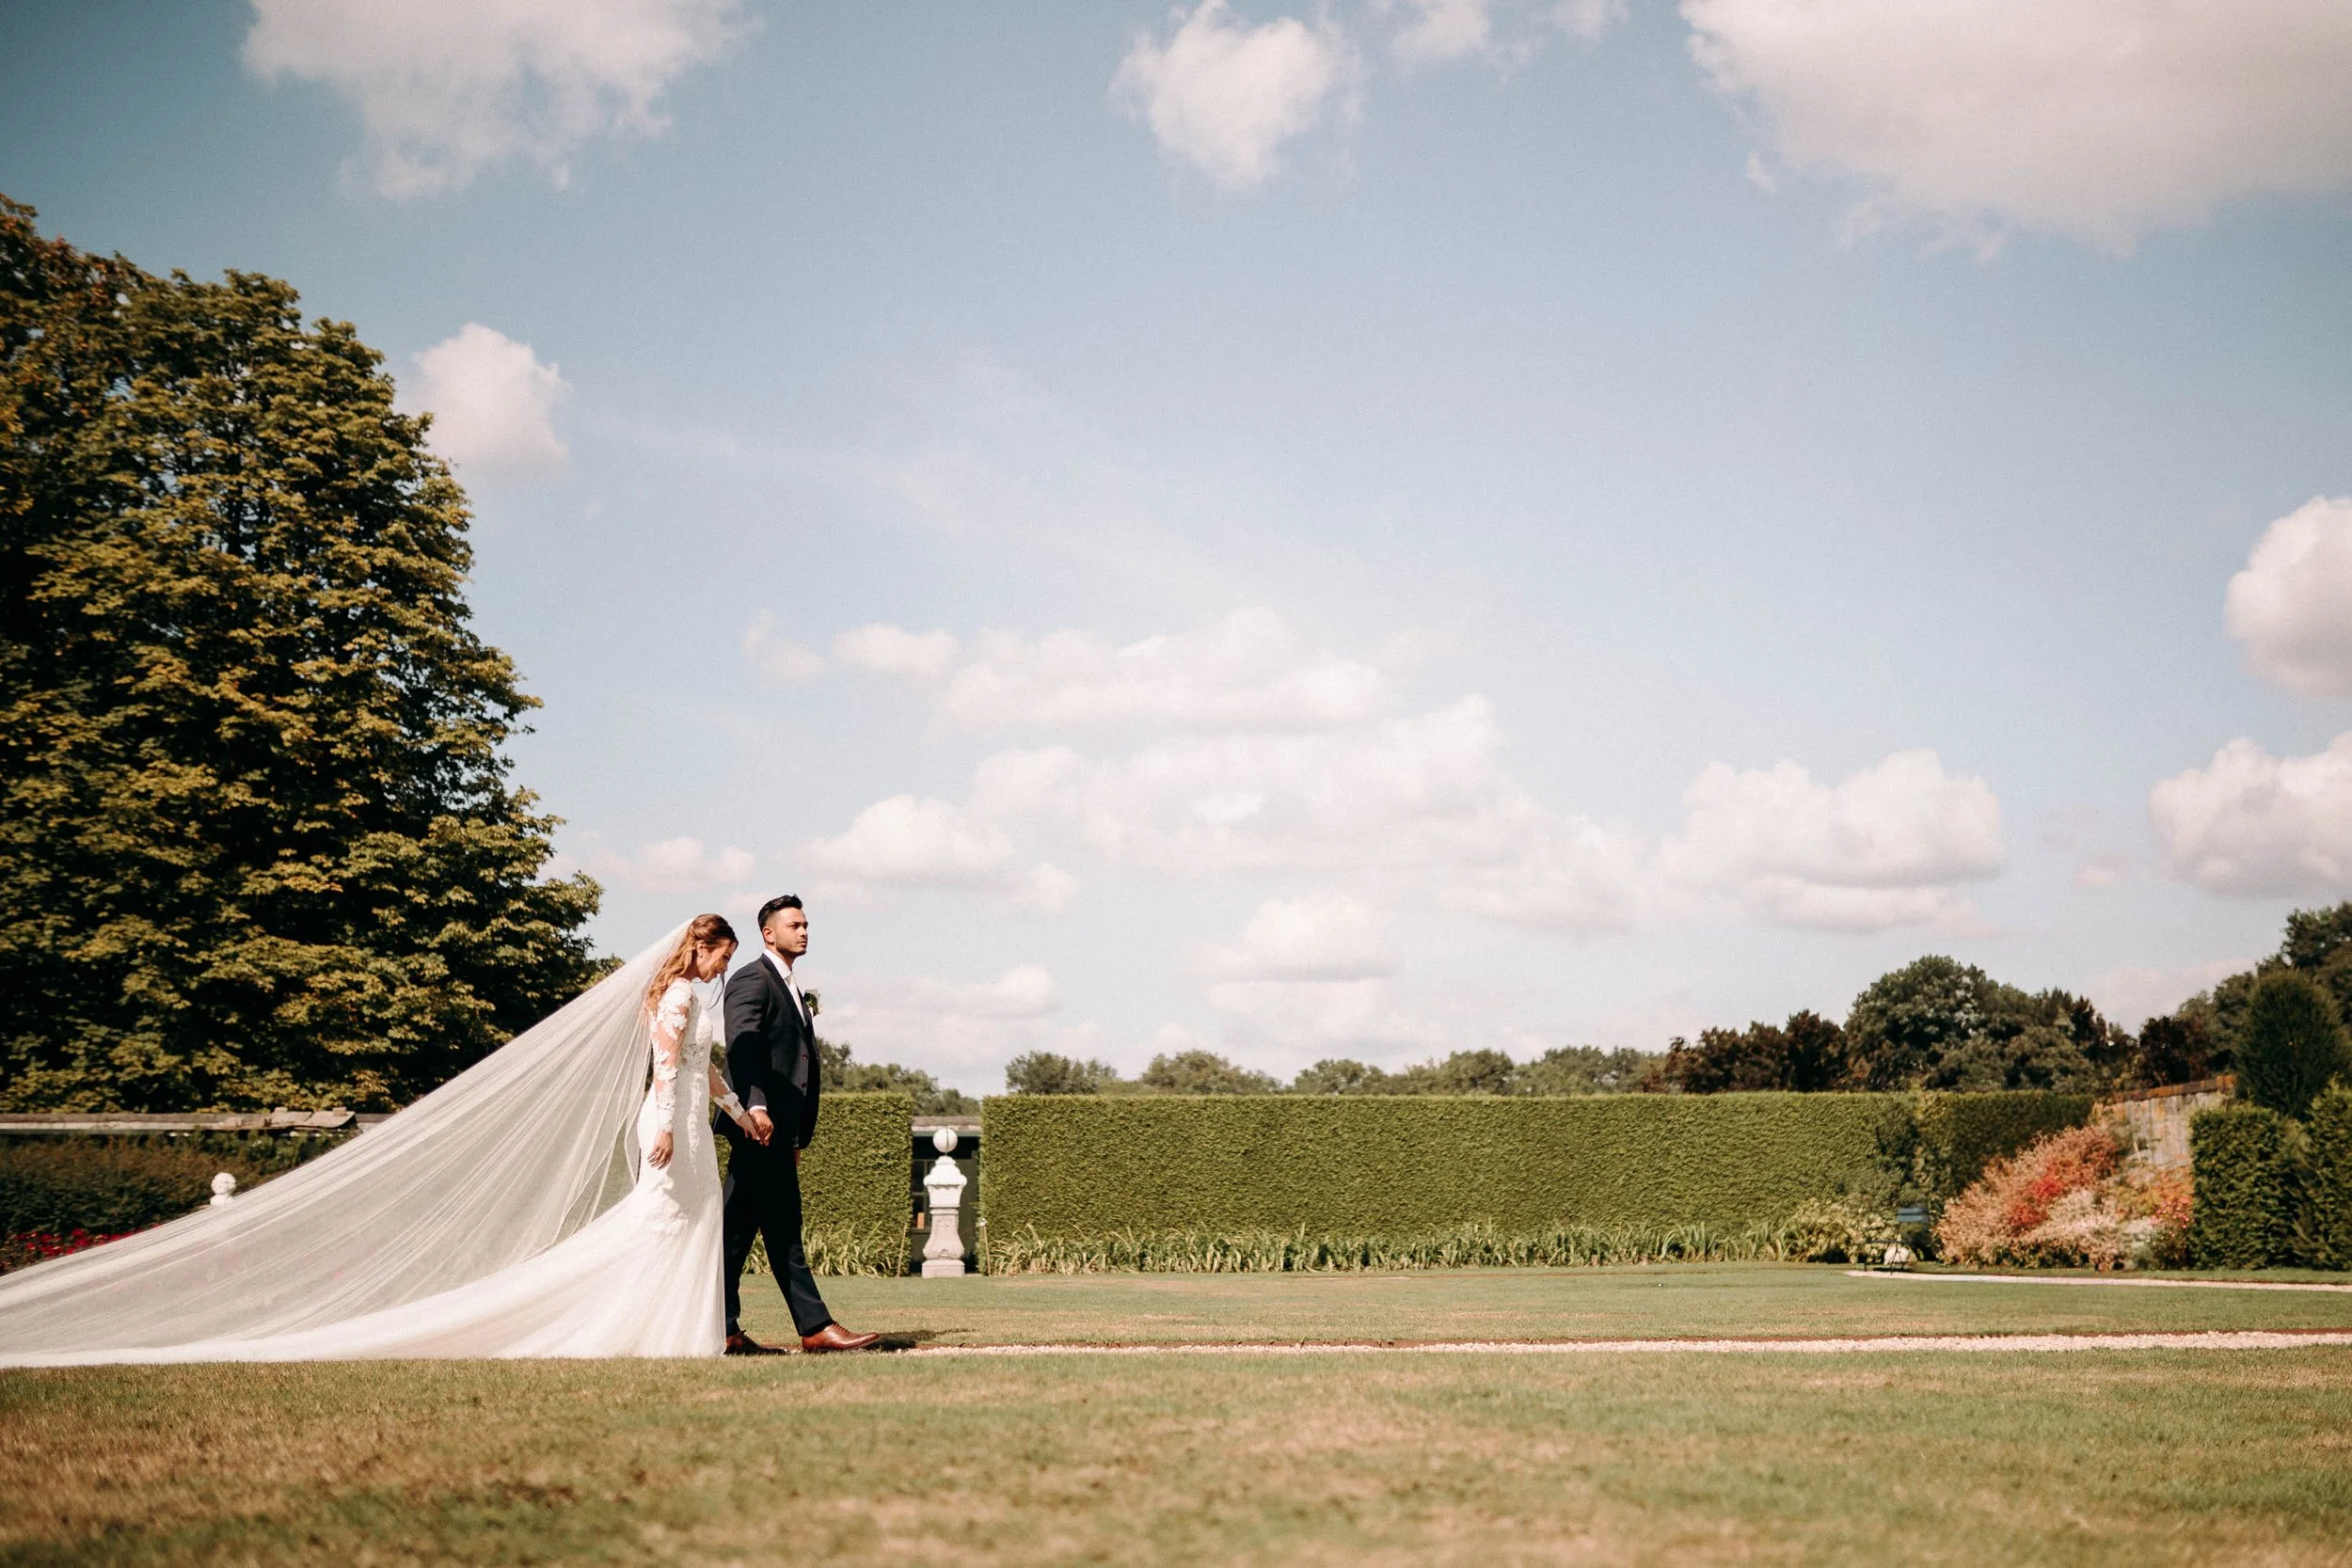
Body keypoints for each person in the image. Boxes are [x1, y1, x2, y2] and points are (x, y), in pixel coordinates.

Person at [0, 916, 757, 1364]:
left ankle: (682, 1334)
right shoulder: (681, 995)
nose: (725, 964)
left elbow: (706, 1071)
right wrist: (661, 1126)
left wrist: (737, 1113)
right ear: (700, 948)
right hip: (669, 1123)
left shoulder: (695, 998)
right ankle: (651, 1331)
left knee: (695, 1222)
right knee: (662, 1223)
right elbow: (666, 1067)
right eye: (721, 952)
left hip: (692, 1121)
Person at [718, 895, 882, 1354]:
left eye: (807, 924)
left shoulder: (790, 985)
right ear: (769, 933)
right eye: (794, 925)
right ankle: (815, 1328)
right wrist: (756, 1107)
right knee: (782, 1228)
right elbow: (742, 1048)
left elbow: (800, 1062)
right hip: (757, 1125)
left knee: (735, 1233)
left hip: (777, 1131)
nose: (804, 931)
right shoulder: (752, 979)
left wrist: (795, 1134)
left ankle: (724, 1329)